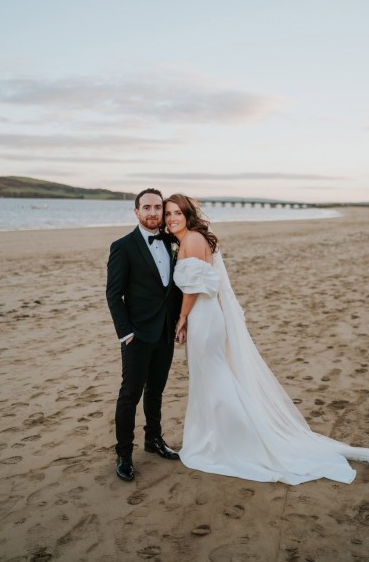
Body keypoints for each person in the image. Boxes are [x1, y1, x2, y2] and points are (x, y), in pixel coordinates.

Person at [164, 193, 369, 485]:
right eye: (168, 214)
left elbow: (194, 287)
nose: (171, 219)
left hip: (203, 316)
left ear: (187, 215)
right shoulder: (192, 238)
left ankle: (241, 437)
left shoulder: (192, 240)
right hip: (206, 315)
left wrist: (182, 318)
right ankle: (219, 434)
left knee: (215, 376)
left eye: (177, 213)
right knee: (210, 376)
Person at [106, 188, 183, 481]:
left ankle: (154, 441)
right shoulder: (123, 246)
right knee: (130, 395)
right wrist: (125, 333)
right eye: (147, 207)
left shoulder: (171, 241)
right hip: (136, 335)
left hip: (165, 332)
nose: (153, 213)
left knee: (156, 391)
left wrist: (178, 321)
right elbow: (114, 294)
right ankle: (124, 454)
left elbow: (173, 290)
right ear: (136, 212)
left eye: (158, 208)